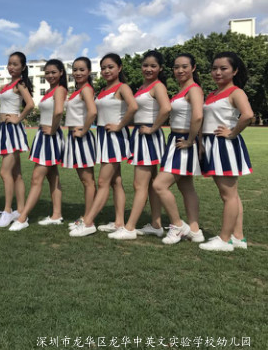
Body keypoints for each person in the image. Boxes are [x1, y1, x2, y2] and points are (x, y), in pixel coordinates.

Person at [70, 53, 137, 237]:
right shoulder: (103, 90)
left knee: (102, 181)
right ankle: (119, 222)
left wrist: (120, 126)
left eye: (110, 67)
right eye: (103, 68)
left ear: (119, 68)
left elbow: (133, 107)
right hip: (103, 136)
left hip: (114, 138)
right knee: (116, 181)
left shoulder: (122, 87)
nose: (106, 71)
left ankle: (88, 222)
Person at [108, 50, 171, 240]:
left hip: (148, 137)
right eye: (145, 65)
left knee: (139, 184)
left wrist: (153, 129)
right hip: (142, 135)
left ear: (160, 68)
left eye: (153, 66)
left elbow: (166, 108)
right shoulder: (144, 86)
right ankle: (156, 224)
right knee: (150, 184)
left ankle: (129, 228)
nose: (148, 69)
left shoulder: (158, 86)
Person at [199, 51, 253, 252]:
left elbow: (248, 115)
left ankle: (224, 239)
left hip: (224, 146)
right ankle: (237, 237)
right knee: (231, 194)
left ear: (234, 71)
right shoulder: (212, 94)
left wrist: (232, 133)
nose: (218, 72)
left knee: (228, 195)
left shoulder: (236, 92)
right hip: (212, 144)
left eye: (223, 68)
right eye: (214, 68)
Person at [8, 59, 68, 232]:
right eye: (47, 73)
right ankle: (56, 215)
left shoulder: (60, 89)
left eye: (53, 72)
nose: (50, 75)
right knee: (52, 176)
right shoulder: (50, 90)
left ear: (61, 72)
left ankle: (23, 217)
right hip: (44, 135)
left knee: (36, 178)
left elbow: (58, 111)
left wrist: (53, 129)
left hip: (50, 137)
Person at [153, 53, 205, 245]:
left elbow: (198, 116)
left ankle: (177, 225)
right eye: (176, 67)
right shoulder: (182, 90)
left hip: (183, 142)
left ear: (193, 68)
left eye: (184, 66)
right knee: (186, 187)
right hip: (177, 140)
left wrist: (191, 140)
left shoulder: (194, 89)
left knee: (159, 185)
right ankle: (195, 231)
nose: (180, 70)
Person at [0, 52, 34, 228]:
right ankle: (20, 210)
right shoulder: (7, 85)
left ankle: (7, 210)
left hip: (12, 129)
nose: (11, 67)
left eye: (15, 64)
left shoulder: (20, 84)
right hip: (5, 129)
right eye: (9, 64)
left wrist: (18, 118)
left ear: (23, 67)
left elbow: (30, 104)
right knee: (16, 174)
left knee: (4, 172)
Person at [62, 57, 98, 237]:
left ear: (89, 71)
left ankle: (88, 220)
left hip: (81, 138)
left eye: (82, 69)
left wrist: (84, 130)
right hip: (74, 137)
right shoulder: (78, 90)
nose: (77, 73)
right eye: (75, 70)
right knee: (85, 181)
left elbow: (93, 111)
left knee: (88, 181)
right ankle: (87, 217)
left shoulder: (86, 89)